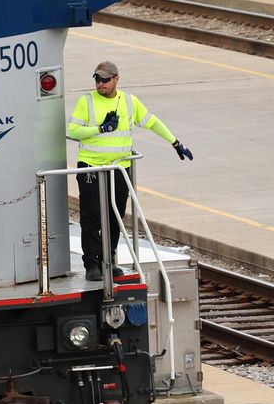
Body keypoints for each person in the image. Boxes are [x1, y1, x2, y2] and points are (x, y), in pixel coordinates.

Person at [67, 61, 193, 281]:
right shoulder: (86, 102)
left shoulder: (128, 102)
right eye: (97, 79)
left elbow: (152, 122)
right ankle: (92, 265)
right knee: (92, 216)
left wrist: (175, 142)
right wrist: (100, 129)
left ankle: (108, 260)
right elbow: (73, 131)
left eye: (105, 80)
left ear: (116, 79)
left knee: (115, 215)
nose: (100, 84)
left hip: (119, 168)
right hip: (91, 167)